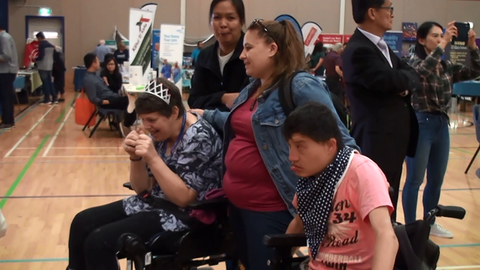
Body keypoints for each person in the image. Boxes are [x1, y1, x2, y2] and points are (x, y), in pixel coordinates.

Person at [193, 19, 358, 269]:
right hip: (238, 205)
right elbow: (248, 124)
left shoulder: (300, 86)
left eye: (248, 48)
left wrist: (360, 183)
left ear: (272, 49)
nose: (242, 55)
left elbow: (342, 142)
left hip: (271, 209)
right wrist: (206, 114)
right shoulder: (254, 88)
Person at [66, 78, 223, 270]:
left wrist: (153, 158)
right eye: (143, 119)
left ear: (174, 112)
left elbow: (184, 198)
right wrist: (135, 158)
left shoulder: (198, 137)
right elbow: (142, 189)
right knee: (81, 222)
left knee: (99, 242)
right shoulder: (161, 133)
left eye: (152, 120)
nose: (147, 126)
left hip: (186, 215)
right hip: (156, 203)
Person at [285, 102, 398, 270]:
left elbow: (387, 236)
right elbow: (299, 222)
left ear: (331, 145)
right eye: (290, 147)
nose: (292, 157)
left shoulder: (361, 171)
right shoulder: (310, 178)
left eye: (300, 147)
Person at [342, 0, 419, 220]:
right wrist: (402, 85)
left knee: (389, 204)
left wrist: (403, 86)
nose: (392, 14)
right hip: (376, 143)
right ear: (372, 12)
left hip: (392, 142)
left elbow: (410, 76)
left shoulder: (380, 47)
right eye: (389, 8)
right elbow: (392, 80)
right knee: (376, 209)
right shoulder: (359, 50)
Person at [403, 21, 480, 238]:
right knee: (415, 179)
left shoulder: (445, 66)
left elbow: (475, 70)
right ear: (421, 39)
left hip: (441, 124)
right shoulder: (413, 61)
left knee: (436, 178)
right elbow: (421, 74)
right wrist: (444, 43)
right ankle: (410, 227)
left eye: (441, 36)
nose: (440, 40)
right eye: (435, 36)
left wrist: (472, 47)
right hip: (421, 123)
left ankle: (429, 222)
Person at [188, 0, 249, 112]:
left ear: (241, 21)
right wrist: (223, 98)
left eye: (230, 18)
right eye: (217, 17)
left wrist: (209, 104)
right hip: (207, 127)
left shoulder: (250, 55)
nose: (223, 24)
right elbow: (194, 101)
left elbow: (247, 104)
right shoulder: (204, 57)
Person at [82, 52, 136, 128]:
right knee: (130, 100)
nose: (99, 63)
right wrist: (104, 101)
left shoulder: (96, 74)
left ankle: (125, 123)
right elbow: (92, 98)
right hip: (107, 102)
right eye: (97, 61)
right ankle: (126, 124)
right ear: (93, 64)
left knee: (131, 98)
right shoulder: (89, 80)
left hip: (112, 97)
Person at [0, 23, 18, 130]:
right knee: (4, 97)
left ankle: (8, 120)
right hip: (4, 71)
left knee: (6, 97)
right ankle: (6, 119)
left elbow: (6, 55)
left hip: (6, 71)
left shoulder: (4, 38)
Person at [35, 32, 57, 105]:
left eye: (38, 39)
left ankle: (47, 99)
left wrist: (35, 59)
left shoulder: (41, 45)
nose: (38, 40)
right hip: (50, 66)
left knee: (45, 83)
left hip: (43, 66)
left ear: (40, 38)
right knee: (50, 82)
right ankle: (54, 98)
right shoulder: (51, 45)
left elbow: (41, 56)